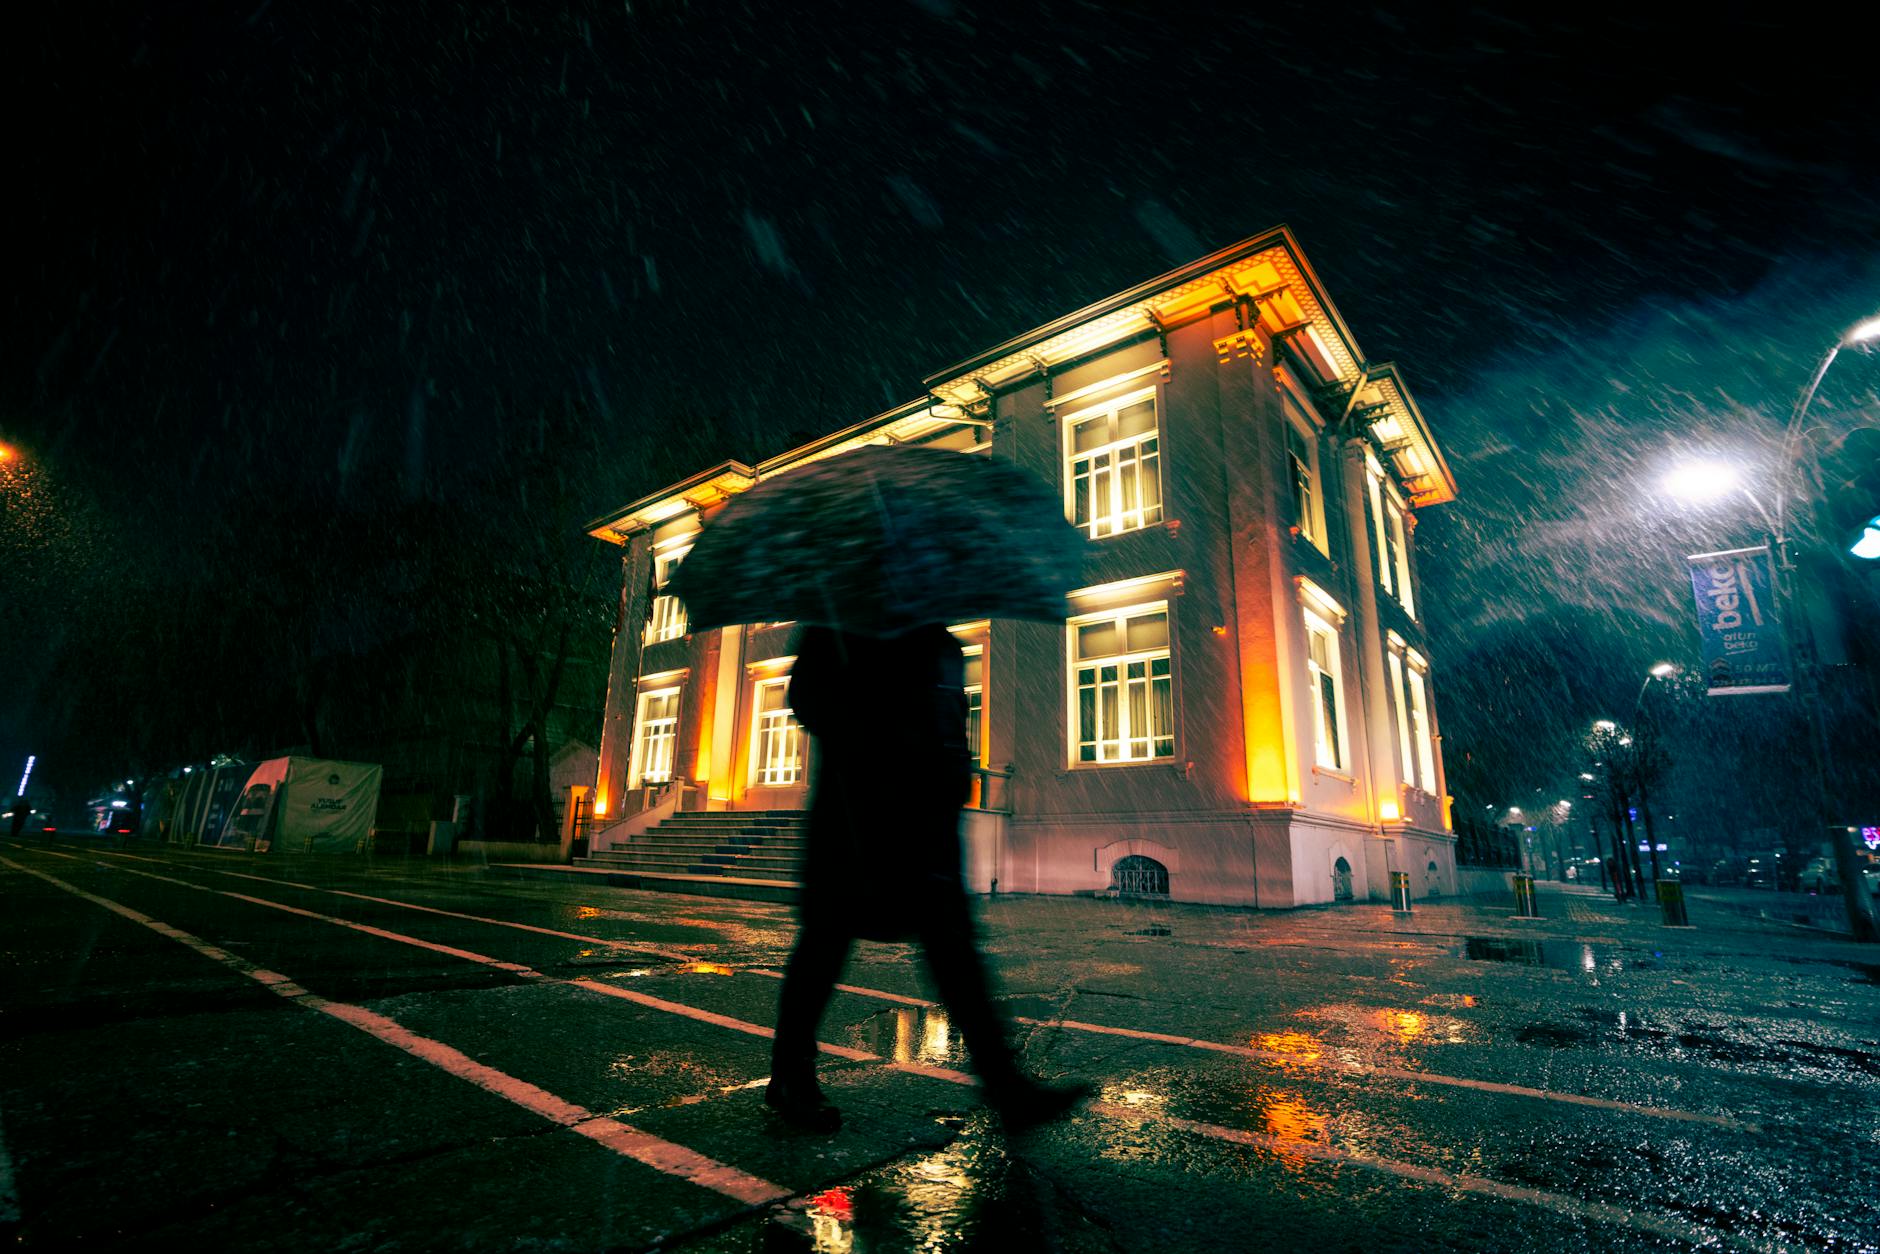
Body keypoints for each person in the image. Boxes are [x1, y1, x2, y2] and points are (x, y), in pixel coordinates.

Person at [766, 623, 1092, 1133]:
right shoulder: (840, 623)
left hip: (926, 822)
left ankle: (1006, 1088)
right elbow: (809, 702)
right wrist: (863, 705)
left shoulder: (940, 641)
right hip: (856, 816)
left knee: (952, 950)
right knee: (826, 944)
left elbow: (949, 716)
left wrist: (954, 766)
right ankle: (790, 1073)